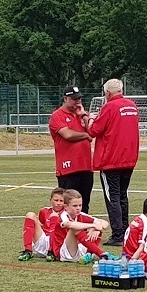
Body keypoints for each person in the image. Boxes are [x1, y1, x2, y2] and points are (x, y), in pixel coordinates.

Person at [87, 79, 140, 247]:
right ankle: (124, 231)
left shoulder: (109, 107)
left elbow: (94, 130)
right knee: (123, 195)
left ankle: (118, 234)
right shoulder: (132, 106)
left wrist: (90, 119)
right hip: (129, 158)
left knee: (113, 197)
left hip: (111, 160)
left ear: (108, 93)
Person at [49, 85, 94, 213]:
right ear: (65, 99)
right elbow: (67, 135)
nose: (77, 102)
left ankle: (81, 225)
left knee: (83, 204)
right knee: (66, 204)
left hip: (86, 166)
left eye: (79, 99)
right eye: (74, 99)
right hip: (68, 167)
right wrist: (86, 135)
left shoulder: (83, 115)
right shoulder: (57, 115)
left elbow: (92, 131)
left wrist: (84, 116)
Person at [48, 189, 116, 263]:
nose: (78, 208)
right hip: (63, 252)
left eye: (80, 205)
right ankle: (102, 254)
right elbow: (70, 224)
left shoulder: (81, 215)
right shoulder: (63, 215)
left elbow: (105, 223)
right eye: (75, 206)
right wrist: (93, 225)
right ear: (66, 206)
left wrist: (95, 229)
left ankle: (89, 254)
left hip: (78, 248)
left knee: (98, 228)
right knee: (74, 228)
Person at [18, 188, 66, 261]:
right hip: (43, 240)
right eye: (56, 200)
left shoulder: (67, 213)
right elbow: (40, 225)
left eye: (61, 201)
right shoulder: (44, 211)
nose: (58, 203)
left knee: (55, 217)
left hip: (57, 243)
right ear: (50, 200)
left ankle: (52, 252)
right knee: (30, 215)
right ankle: (28, 250)